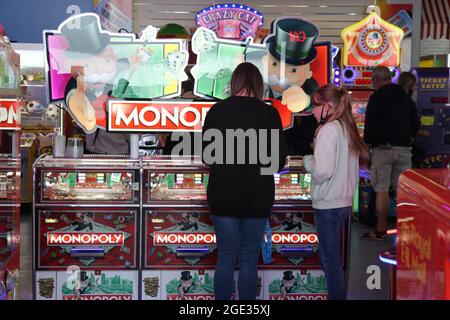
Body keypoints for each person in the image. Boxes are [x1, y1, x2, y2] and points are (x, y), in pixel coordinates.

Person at [202, 62, 287, 300]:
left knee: (226, 257)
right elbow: (278, 163)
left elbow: (208, 157)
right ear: (258, 85)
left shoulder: (217, 111)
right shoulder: (269, 113)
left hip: (223, 194)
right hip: (257, 196)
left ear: (235, 83)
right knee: (250, 259)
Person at [303, 84, 369, 300]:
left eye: (316, 105)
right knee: (335, 260)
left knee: (329, 261)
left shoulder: (328, 130)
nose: (312, 110)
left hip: (328, 203)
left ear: (328, 106)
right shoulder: (346, 128)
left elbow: (322, 171)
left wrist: (308, 161)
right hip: (344, 202)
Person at [361, 67, 420, 240]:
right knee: (403, 192)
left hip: (383, 149)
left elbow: (370, 126)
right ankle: (406, 232)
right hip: (404, 149)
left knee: (381, 189)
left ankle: (380, 230)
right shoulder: (405, 97)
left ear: (377, 80)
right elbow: (415, 124)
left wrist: (367, 148)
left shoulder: (377, 97)